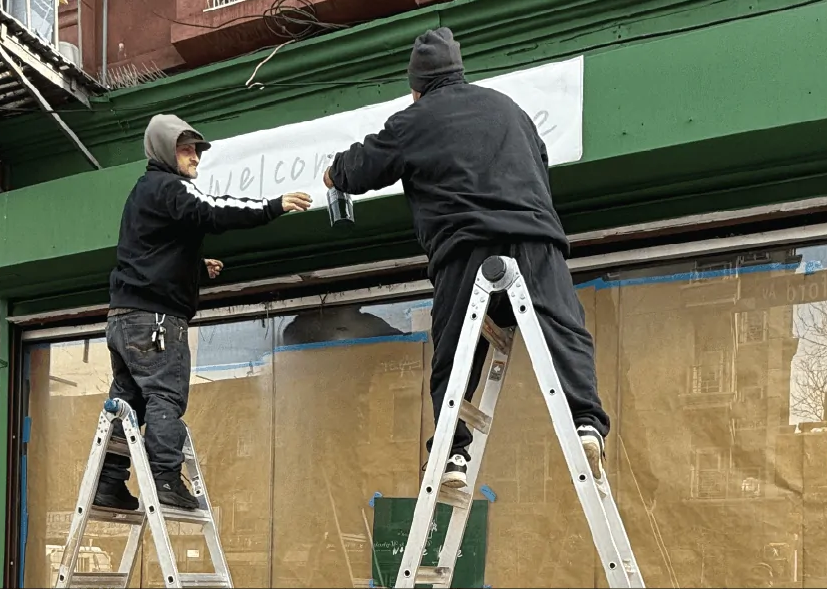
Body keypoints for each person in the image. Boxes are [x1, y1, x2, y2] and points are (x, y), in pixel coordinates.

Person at [323, 27, 610, 488]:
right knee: (563, 326)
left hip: (467, 249)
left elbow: (361, 167)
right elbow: (539, 159)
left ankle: (451, 454)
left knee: (456, 352)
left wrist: (333, 172)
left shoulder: (414, 120)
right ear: (458, 71)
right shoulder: (508, 108)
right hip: (536, 240)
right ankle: (587, 423)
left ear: (417, 86)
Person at [96, 113, 312, 511]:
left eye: (196, 149)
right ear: (164, 150)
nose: (195, 157)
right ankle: (164, 480)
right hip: (156, 321)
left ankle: (107, 483)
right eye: (186, 148)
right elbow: (213, 209)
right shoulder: (168, 187)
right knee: (164, 397)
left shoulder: (145, 193)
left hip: (125, 319)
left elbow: (147, 254)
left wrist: (195, 268)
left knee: (127, 406)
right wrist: (272, 205)